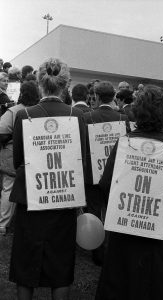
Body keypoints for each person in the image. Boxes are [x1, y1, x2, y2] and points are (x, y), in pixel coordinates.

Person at [95, 85, 163, 300]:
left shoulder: (124, 142)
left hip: (124, 223)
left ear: (138, 111)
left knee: (120, 281)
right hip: (157, 226)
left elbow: (106, 184)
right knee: (155, 283)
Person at [8, 58, 86, 300]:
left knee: (25, 258)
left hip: (31, 195)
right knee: (61, 260)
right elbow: (80, 157)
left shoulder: (24, 115)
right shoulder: (77, 115)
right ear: (65, 84)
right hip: (63, 195)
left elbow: (18, 160)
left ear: (40, 81)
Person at [84, 81, 128, 266]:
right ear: (113, 97)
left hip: (93, 174)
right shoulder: (123, 118)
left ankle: (98, 252)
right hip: (116, 175)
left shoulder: (86, 117)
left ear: (97, 96)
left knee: (94, 212)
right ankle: (112, 250)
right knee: (114, 211)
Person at [0, 80, 40, 235]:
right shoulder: (37, 110)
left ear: (22, 93)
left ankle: (3, 224)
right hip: (33, 155)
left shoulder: (14, 110)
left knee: (9, 188)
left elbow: (1, 132)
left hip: (14, 155)